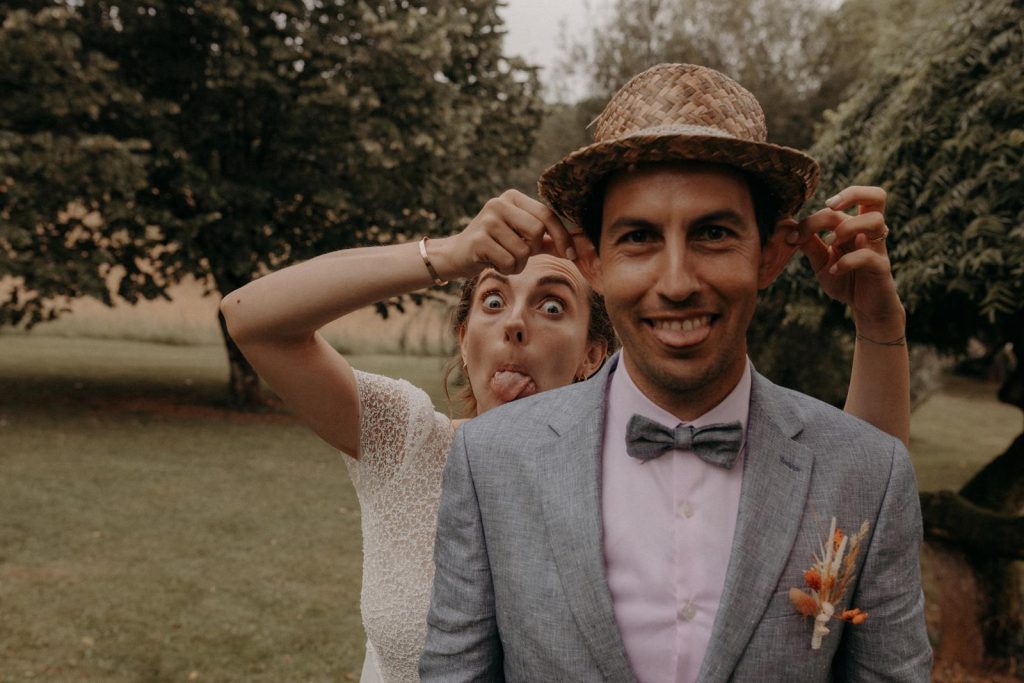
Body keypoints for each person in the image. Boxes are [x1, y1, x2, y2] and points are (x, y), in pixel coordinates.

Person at [419, 63, 930, 681]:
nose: (678, 282)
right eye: (638, 237)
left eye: (713, 233)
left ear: (770, 254)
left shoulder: (866, 472)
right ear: (592, 263)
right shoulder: (488, 459)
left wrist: (880, 325)